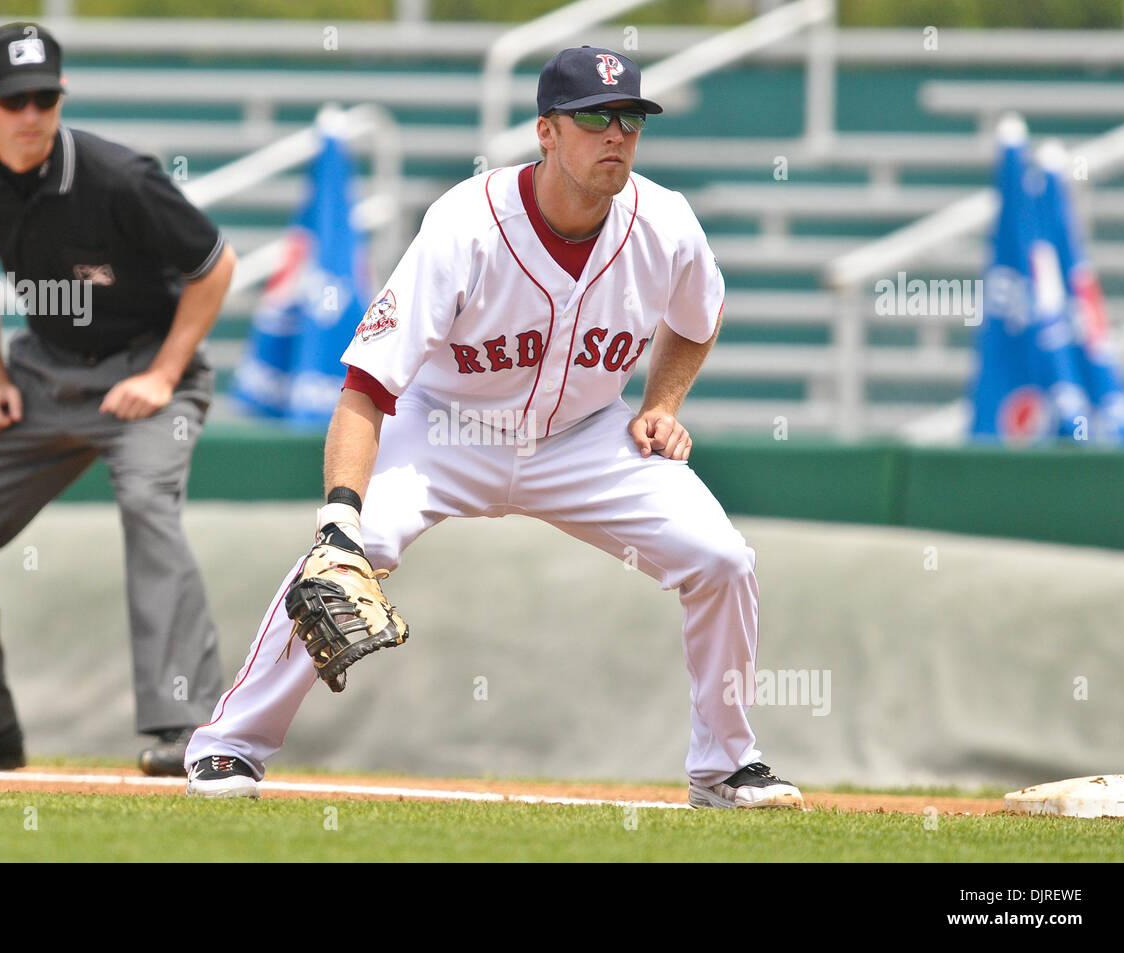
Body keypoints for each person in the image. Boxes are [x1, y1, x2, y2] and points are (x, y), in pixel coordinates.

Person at [184, 46, 803, 810]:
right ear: (546, 131)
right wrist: (340, 512)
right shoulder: (466, 223)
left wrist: (661, 405)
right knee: (346, 555)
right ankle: (227, 748)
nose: (617, 134)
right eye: (595, 118)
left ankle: (726, 765)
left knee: (722, 559)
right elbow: (368, 384)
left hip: (585, 439)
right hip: (446, 431)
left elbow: (698, 317)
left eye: (631, 120)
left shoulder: (665, 222)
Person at [0, 22, 237, 776]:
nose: (30, 114)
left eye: (44, 97)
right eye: (14, 98)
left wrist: (160, 375)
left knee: (149, 507)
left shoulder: (121, 177)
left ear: (61, 98)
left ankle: (193, 729)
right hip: (42, 377)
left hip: (149, 375)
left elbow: (215, 267)